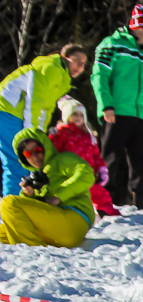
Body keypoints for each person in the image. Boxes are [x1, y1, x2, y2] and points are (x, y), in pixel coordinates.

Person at [92, 4, 143, 209]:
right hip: (117, 111)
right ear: (140, 27)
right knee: (110, 159)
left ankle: (140, 203)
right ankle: (104, 202)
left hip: (141, 115)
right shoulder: (112, 44)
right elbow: (99, 76)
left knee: (139, 161)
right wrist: (106, 105)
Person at [0, 44, 89, 196]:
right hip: (7, 111)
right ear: (65, 56)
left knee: (24, 162)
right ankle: (13, 203)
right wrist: (30, 133)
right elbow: (34, 102)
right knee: (19, 161)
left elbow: (46, 110)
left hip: (14, 114)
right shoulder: (50, 68)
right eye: (77, 60)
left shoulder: (63, 79)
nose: (80, 66)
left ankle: (18, 201)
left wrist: (40, 135)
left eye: (84, 64)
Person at [0, 128, 97, 248]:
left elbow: (86, 174)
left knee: (9, 203)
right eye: (28, 154)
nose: (35, 156)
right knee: (5, 229)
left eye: (37, 150)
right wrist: (29, 194)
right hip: (54, 227)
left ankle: (31, 251)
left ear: (45, 146)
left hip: (73, 220)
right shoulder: (37, 177)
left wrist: (59, 196)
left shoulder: (62, 159)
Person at [48, 95, 119, 217]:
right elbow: (54, 152)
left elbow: (95, 155)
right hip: (69, 176)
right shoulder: (61, 133)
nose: (78, 117)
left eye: (81, 115)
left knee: (100, 194)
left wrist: (101, 169)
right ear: (67, 116)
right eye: (74, 114)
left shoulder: (88, 135)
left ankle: (107, 212)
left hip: (87, 176)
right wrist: (53, 137)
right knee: (70, 196)